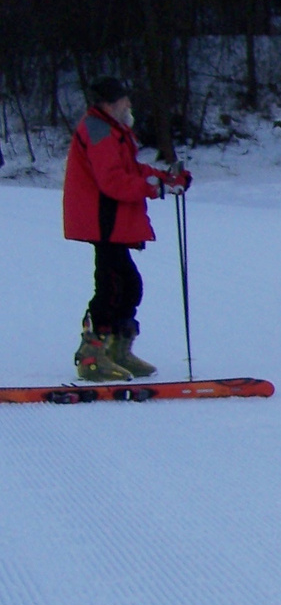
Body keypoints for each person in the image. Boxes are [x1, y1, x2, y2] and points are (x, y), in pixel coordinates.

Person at [62, 77, 190, 381]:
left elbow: (130, 170)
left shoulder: (110, 129)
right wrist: (154, 186)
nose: (128, 104)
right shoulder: (99, 130)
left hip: (111, 220)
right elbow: (112, 182)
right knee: (112, 285)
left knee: (128, 284)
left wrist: (164, 177)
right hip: (102, 218)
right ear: (110, 103)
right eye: (124, 100)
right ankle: (92, 356)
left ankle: (117, 350)